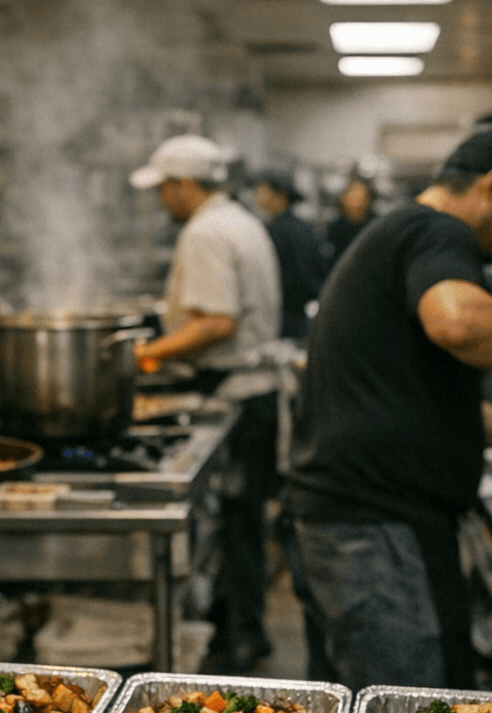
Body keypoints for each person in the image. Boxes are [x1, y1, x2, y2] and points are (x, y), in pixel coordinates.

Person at [284, 129, 492, 692]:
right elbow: (458, 322)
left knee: (380, 709)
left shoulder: (402, 233)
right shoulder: (437, 230)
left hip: (356, 527)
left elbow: (418, 405)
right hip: (380, 533)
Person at [129, 135, 283, 667]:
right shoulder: (241, 220)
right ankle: (237, 629)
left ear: (184, 184)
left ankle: (240, 639)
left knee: (235, 525)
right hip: (254, 393)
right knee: (243, 522)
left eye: (163, 189)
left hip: (235, 396)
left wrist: (144, 355)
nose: (160, 201)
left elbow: (218, 323)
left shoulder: (205, 232)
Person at [254, 170, 327, 342]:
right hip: (301, 315)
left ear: (279, 194)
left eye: (261, 190)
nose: (256, 195)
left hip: (284, 317)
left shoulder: (275, 230)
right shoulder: (304, 227)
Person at [323, 175, 377, 271]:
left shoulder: (377, 225)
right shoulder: (335, 228)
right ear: (343, 198)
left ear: (369, 199)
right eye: (353, 195)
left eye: (360, 195)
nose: (356, 200)